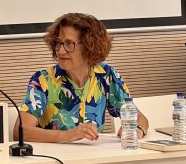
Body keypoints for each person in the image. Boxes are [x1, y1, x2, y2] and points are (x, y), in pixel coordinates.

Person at [17, 13, 148, 143]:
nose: (60, 51)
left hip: (92, 155)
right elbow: (20, 132)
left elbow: (140, 119)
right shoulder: (42, 80)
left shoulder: (106, 75)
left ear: (89, 46)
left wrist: (138, 129)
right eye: (58, 43)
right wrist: (69, 135)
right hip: (52, 155)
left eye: (69, 44)